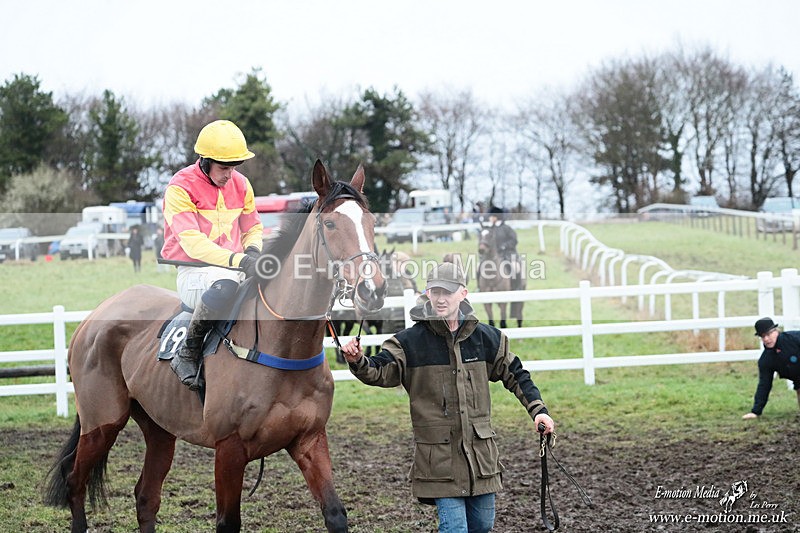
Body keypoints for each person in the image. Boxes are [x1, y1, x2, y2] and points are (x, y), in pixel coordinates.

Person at [341, 261, 554, 533]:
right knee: (454, 528)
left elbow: (516, 374)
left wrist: (539, 411)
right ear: (427, 294)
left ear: (462, 294)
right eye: (435, 292)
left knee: (482, 526)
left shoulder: (487, 339)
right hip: (438, 460)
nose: (441, 299)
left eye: (447, 292)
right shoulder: (408, 342)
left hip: (481, 458)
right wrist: (358, 360)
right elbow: (379, 371)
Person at [161, 119, 263, 390]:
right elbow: (193, 244)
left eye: (234, 167)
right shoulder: (180, 187)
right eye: (224, 167)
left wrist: (253, 250)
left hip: (234, 266)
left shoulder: (242, 185)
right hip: (193, 271)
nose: (230, 175)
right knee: (226, 284)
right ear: (204, 160)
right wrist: (240, 260)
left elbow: (252, 227)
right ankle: (188, 352)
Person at [742, 317, 800, 419]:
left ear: (776, 331)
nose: (766, 339)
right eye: (763, 336)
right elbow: (764, 384)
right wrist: (756, 411)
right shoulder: (766, 360)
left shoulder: (794, 338)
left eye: (769, 334)